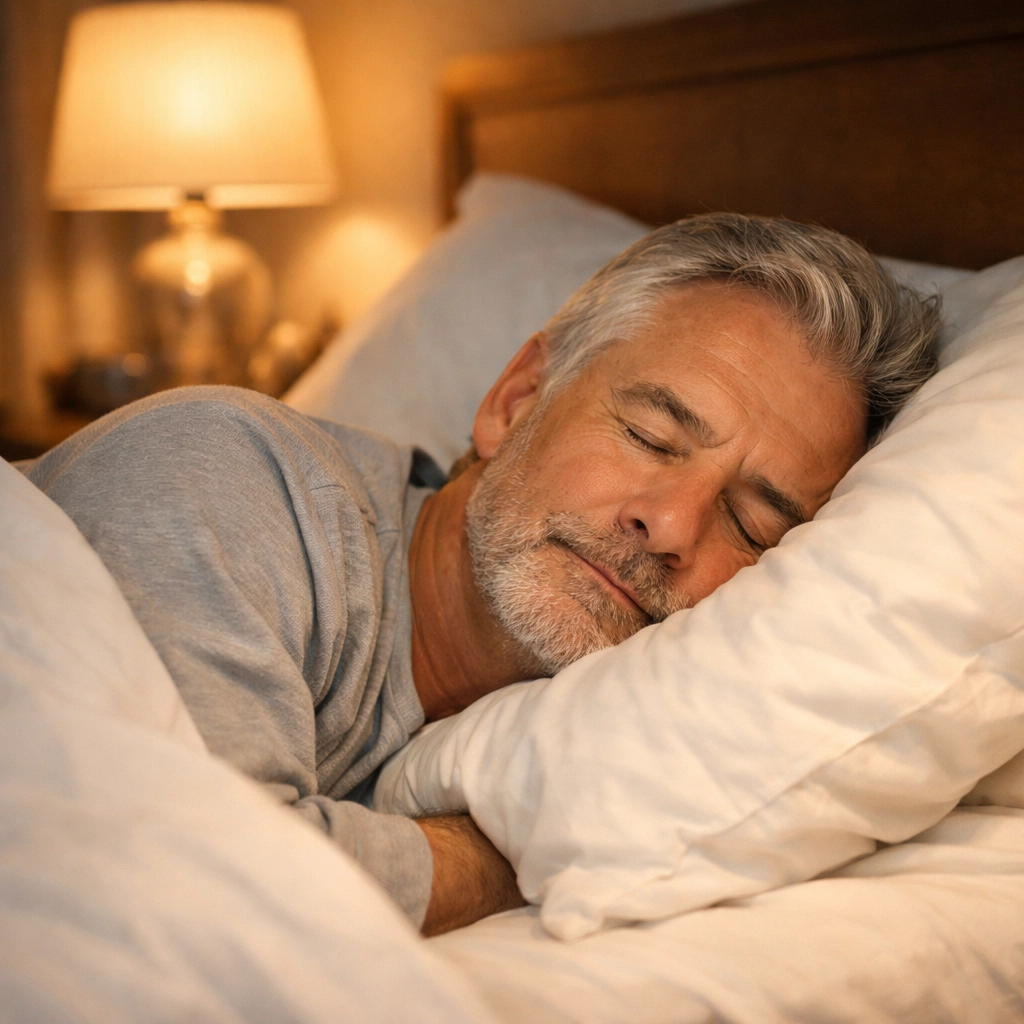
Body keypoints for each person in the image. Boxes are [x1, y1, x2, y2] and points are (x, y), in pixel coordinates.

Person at [27, 213, 941, 937]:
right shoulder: (222, 471)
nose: (669, 525)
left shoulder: (604, 736)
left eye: (750, 523)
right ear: (516, 402)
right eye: (650, 438)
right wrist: (500, 860)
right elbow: (201, 887)